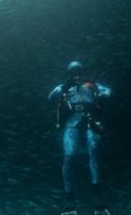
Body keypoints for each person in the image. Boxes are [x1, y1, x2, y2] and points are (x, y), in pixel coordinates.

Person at [48, 61, 112, 215]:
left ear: (83, 72)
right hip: (72, 124)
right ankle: (69, 198)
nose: (76, 75)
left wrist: (103, 95)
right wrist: (64, 88)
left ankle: (96, 195)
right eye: (73, 72)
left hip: (90, 121)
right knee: (69, 156)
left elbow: (108, 90)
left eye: (79, 71)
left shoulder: (92, 85)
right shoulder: (63, 87)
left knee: (94, 151)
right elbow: (50, 97)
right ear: (69, 74)